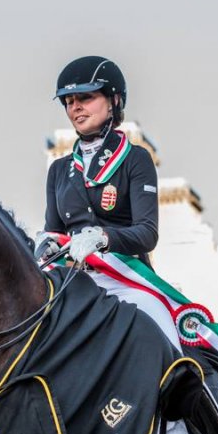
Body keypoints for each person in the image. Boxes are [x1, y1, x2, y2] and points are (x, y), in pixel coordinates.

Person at [35, 55, 182, 350]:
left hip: (126, 280)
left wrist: (103, 238)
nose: (75, 107)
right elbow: (55, 230)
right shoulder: (59, 169)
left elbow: (147, 233)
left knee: (163, 330)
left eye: (85, 98)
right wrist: (45, 243)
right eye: (69, 101)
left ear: (113, 100)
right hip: (73, 280)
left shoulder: (135, 158)